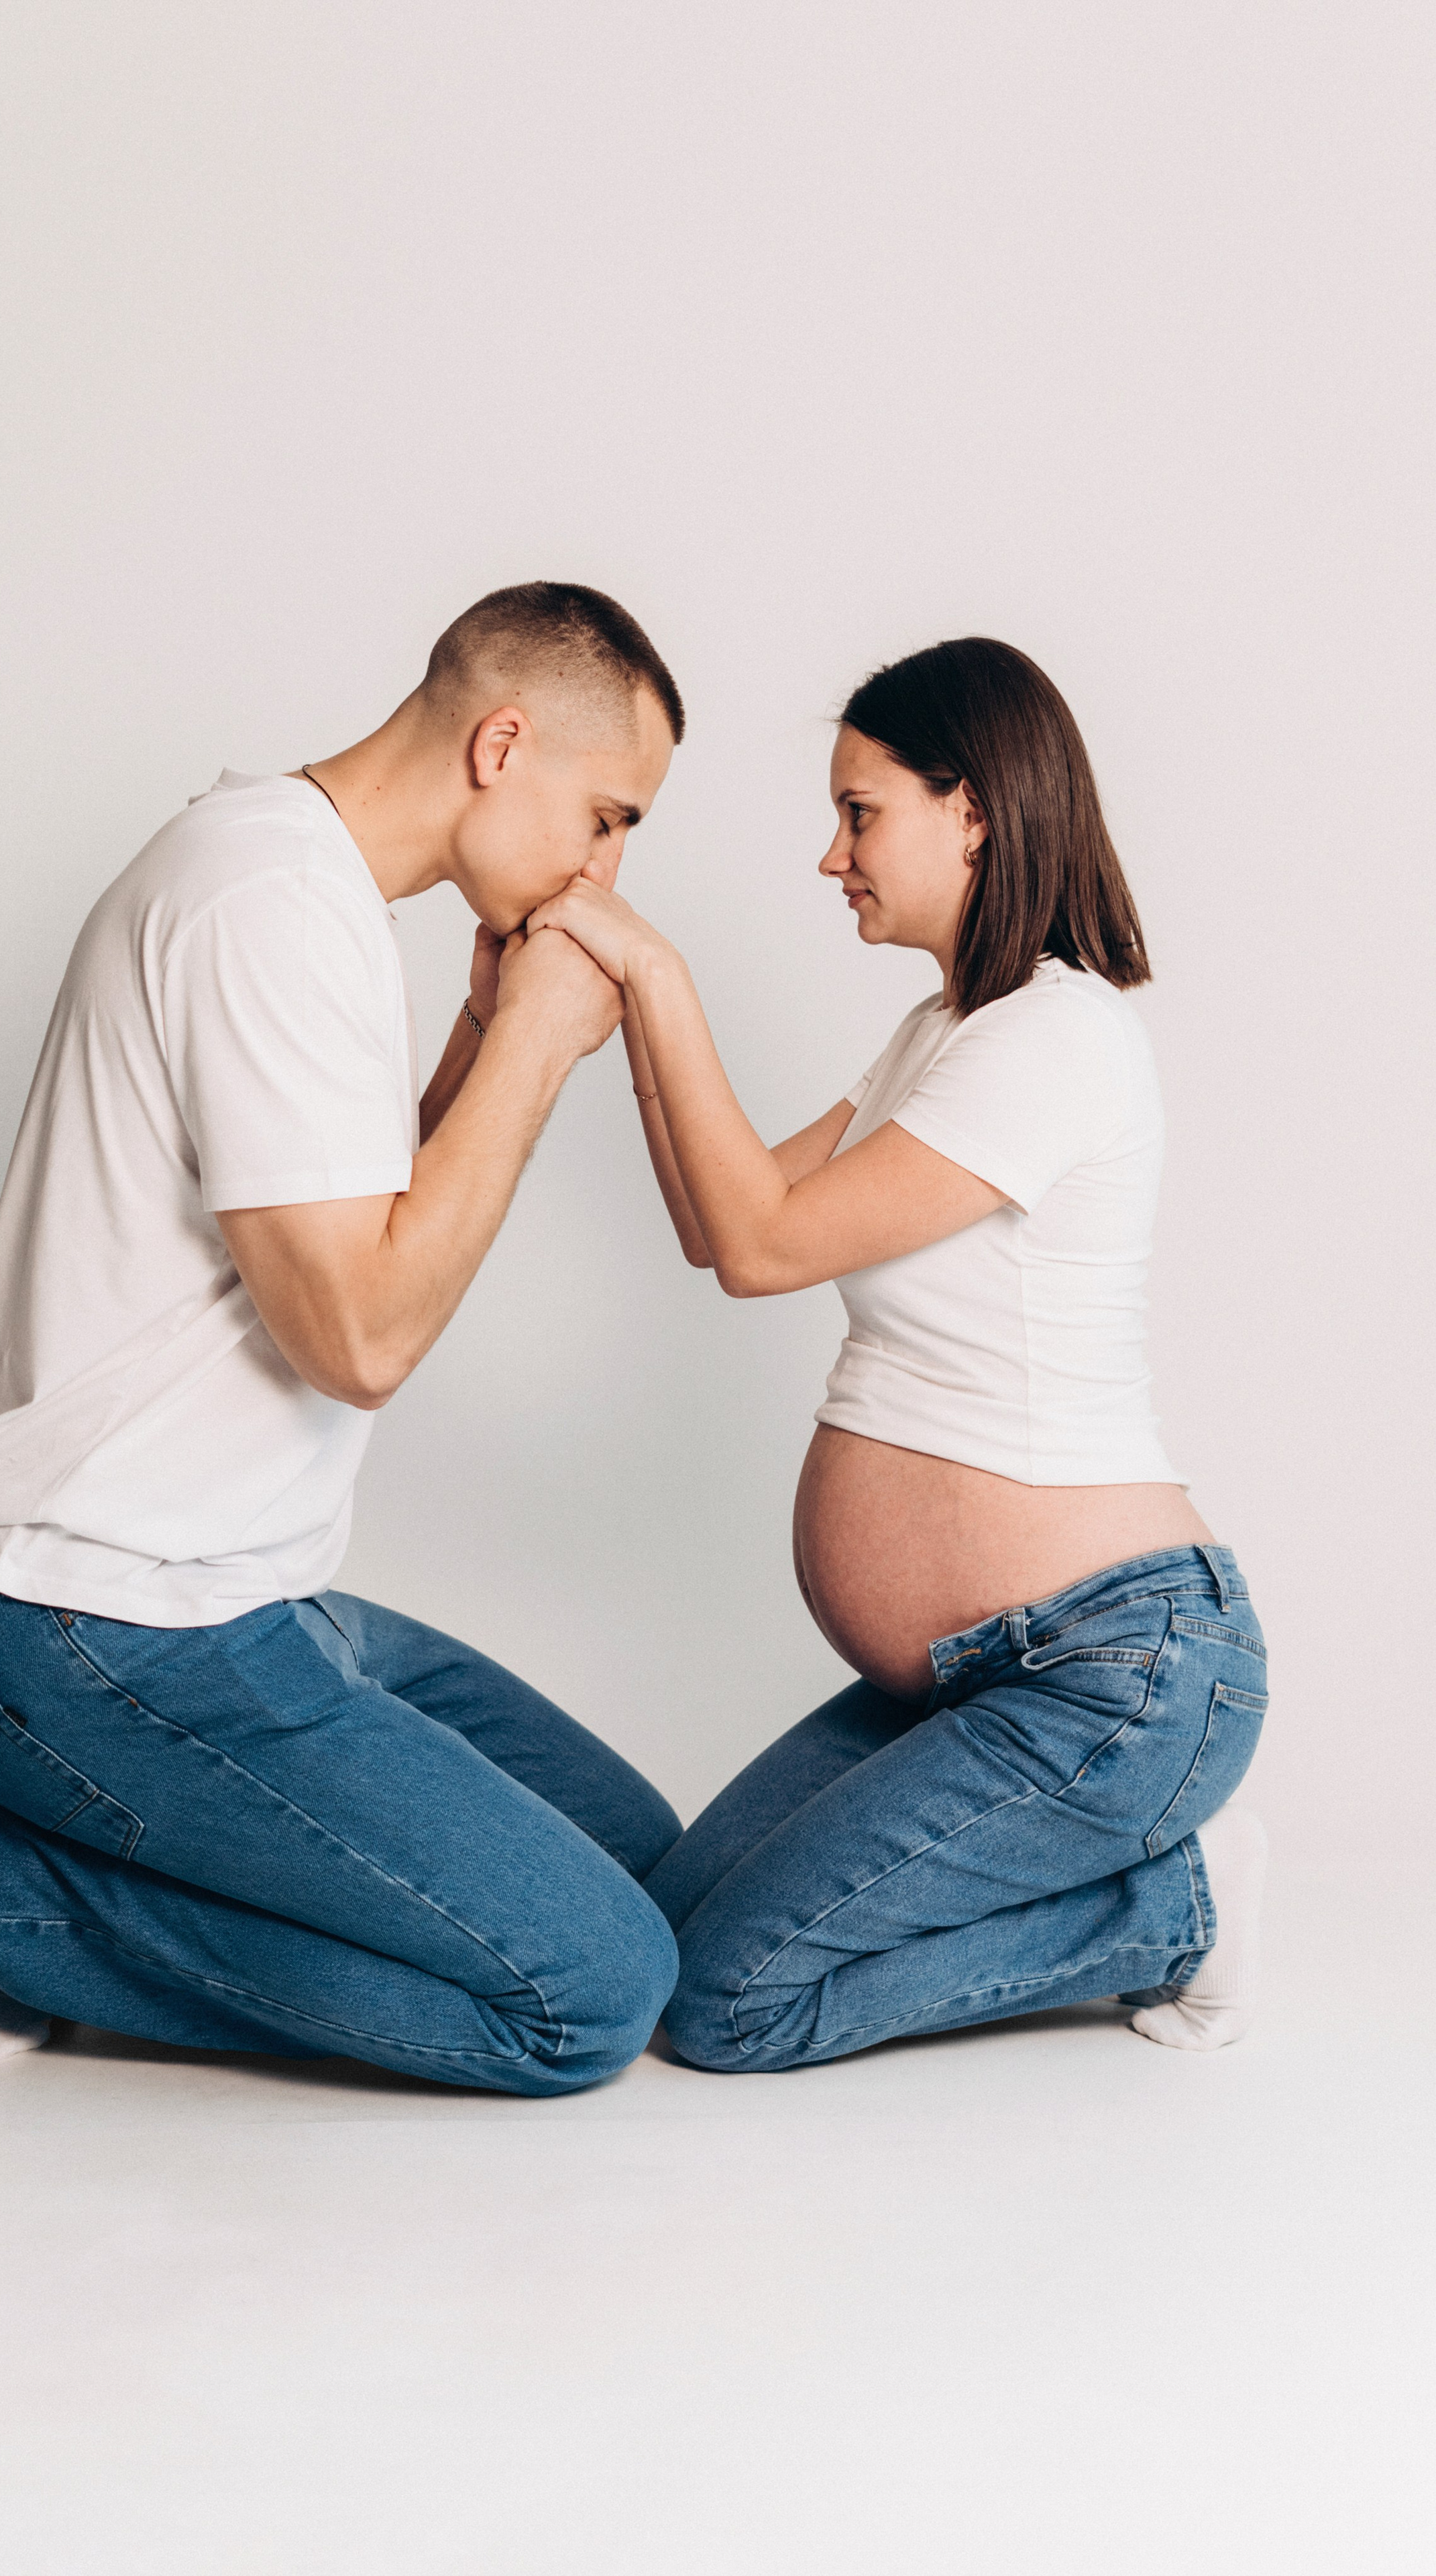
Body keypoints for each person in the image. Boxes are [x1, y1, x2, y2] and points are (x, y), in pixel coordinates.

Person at [0, 580, 687, 2092]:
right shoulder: (267, 907)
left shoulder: (310, 892)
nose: (606, 869)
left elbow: (343, 1231)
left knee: (648, 1873)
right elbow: (358, 1337)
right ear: (502, 744)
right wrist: (541, 1055)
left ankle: (95, 1869)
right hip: (81, 1622)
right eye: (608, 815)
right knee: (589, 1996)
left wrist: (486, 1039)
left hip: (237, 1599)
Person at [529, 636, 1268, 2070]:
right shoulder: (938, 1033)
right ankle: (1132, 1895)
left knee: (724, 2005)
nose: (829, 855)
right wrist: (618, 1011)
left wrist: (655, 970)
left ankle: (1177, 1908)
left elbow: (760, 1245)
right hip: (984, 1670)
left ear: (972, 809)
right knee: (672, 1931)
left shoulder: (1053, 1039)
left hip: (1110, 1671)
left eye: (858, 812)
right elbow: (720, 1222)